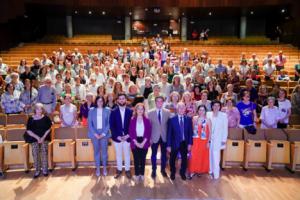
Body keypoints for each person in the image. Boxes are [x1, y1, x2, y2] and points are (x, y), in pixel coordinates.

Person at [24, 103, 52, 178]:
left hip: (44, 138)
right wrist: (37, 138)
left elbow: (49, 128)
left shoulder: (46, 118)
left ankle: (45, 170)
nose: (39, 110)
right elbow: (28, 131)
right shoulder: (31, 119)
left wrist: (42, 137)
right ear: (35, 109)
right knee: (35, 154)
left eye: (41, 109)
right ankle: (37, 170)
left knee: (43, 153)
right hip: (34, 138)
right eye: (38, 109)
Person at [167, 102, 193, 180]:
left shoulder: (188, 119)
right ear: (177, 109)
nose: (181, 109)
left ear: (185, 109)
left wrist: (190, 143)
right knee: (172, 159)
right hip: (174, 143)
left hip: (184, 143)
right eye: (180, 108)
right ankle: (172, 172)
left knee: (184, 159)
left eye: (183, 108)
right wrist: (168, 145)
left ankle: (182, 172)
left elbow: (190, 132)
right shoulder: (172, 120)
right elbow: (169, 133)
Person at [110, 93, 133, 179]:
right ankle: (119, 170)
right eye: (120, 99)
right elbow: (112, 126)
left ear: (126, 100)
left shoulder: (130, 111)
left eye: (123, 98)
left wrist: (128, 135)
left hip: (127, 137)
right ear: (117, 101)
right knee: (118, 155)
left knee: (127, 154)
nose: (122, 100)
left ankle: (127, 170)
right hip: (117, 138)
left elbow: (132, 125)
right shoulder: (113, 111)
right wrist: (117, 136)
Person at [148, 96, 171, 179]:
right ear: (155, 102)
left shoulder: (167, 112)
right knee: (153, 155)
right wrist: (149, 138)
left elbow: (169, 126)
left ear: (163, 102)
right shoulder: (150, 113)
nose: (159, 103)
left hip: (164, 137)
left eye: (161, 101)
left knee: (164, 155)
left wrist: (169, 138)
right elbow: (148, 127)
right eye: (158, 101)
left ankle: (163, 170)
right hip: (154, 137)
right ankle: (154, 170)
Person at [88, 96, 111, 176]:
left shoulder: (107, 110)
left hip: (104, 134)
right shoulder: (91, 110)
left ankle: (104, 168)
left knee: (104, 152)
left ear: (104, 102)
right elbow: (90, 123)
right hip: (94, 134)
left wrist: (103, 134)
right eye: (98, 101)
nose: (100, 103)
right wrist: (95, 134)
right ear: (96, 102)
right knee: (96, 152)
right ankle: (97, 168)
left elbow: (109, 123)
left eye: (101, 101)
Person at [129, 103, 151, 181]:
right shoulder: (132, 119)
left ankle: (142, 174)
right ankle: (137, 174)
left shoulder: (147, 120)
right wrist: (136, 142)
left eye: (142, 109)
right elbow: (131, 132)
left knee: (142, 159)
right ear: (136, 110)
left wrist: (143, 143)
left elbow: (148, 132)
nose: (140, 110)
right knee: (136, 159)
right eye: (138, 109)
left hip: (144, 141)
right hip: (135, 141)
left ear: (144, 110)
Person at [188, 105, 211, 179]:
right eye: (200, 110)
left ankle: (199, 170)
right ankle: (192, 171)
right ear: (198, 111)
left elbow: (210, 132)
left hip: (203, 141)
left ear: (205, 111)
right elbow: (191, 130)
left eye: (203, 110)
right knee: (194, 155)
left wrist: (208, 142)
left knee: (201, 156)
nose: (201, 112)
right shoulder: (194, 118)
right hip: (195, 140)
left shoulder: (208, 120)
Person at [207, 100, 228, 179]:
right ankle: (210, 171)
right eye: (214, 105)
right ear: (212, 106)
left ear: (220, 107)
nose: (216, 107)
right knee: (209, 155)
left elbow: (225, 128)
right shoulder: (208, 114)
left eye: (218, 106)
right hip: (209, 139)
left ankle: (216, 174)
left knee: (216, 157)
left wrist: (224, 140)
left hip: (218, 139)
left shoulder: (223, 115)